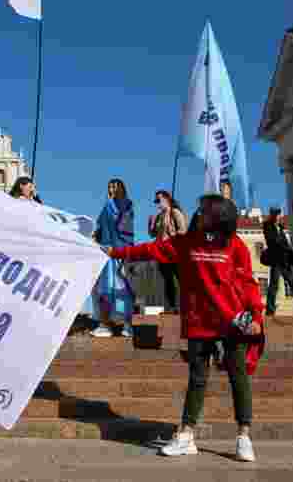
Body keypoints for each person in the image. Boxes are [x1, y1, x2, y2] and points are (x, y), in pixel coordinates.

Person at [104, 194, 265, 462]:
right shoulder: (186, 243)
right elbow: (149, 250)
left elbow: (248, 283)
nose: (197, 214)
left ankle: (243, 437)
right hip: (199, 322)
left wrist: (256, 316)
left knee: (239, 377)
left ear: (218, 216)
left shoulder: (235, 246)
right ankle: (186, 436)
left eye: (203, 211)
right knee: (197, 379)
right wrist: (115, 252)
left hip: (234, 322)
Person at [86, 179, 136, 338]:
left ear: (121, 188)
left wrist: (123, 250)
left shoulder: (126, 204)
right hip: (106, 251)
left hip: (119, 252)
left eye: (114, 186)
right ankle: (105, 324)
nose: (111, 189)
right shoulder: (107, 205)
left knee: (122, 289)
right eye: (109, 187)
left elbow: (125, 227)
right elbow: (99, 227)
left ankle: (127, 324)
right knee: (104, 288)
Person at [147, 190, 188, 313]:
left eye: (159, 200)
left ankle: (186, 306)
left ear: (167, 199)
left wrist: (173, 235)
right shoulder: (159, 216)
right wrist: (151, 224)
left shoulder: (174, 212)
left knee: (181, 279)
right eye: (156, 201)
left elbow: (184, 230)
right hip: (163, 252)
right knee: (167, 280)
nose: (157, 203)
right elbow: (152, 234)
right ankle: (172, 307)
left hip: (175, 251)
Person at [262, 207, 293, 316]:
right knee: (273, 286)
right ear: (274, 215)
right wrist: (289, 248)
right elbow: (272, 242)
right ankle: (270, 311)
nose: (280, 217)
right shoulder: (268, 226)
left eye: (280, 215)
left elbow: (285, 244)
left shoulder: (281, 228)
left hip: (285, 262)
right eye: (279, 215)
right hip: (276, 261)